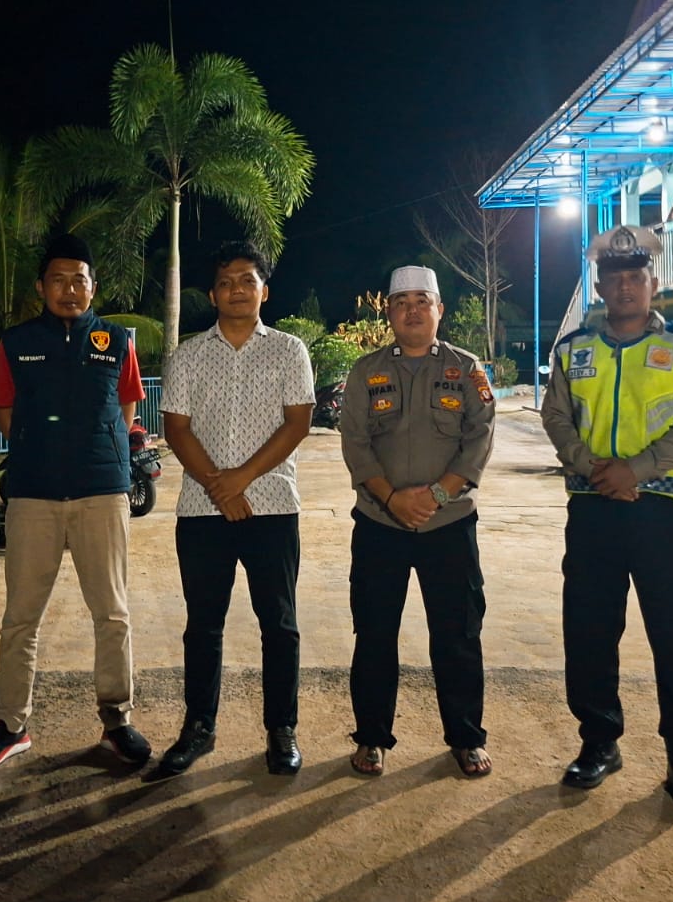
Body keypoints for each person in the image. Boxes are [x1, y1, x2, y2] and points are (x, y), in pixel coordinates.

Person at [541, 225, 673, 813]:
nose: (625, 287)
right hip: (592, 507)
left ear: (653, 283)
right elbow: (556, 416)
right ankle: (599, 741)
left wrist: (635, 470)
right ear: (599, 286)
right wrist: (590, 466)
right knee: (589, 630)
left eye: (635, 277)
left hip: (661, 512)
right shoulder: (573, 350)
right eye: (615, 278)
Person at [0, 233, 153, 772]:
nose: (70, 289)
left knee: (112, 614)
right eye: (59, 280)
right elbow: (6, 414)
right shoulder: (15, 343)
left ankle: (116, 722)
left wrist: (100, 452)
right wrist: (42, 449)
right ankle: (11, 726)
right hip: (34, 495)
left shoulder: (117, 341)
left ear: (93, 287)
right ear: (41, 287)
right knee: (21, 618)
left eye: (79, 280)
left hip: (102, 494)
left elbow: (127, 408)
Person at [151, 241, 315, 779]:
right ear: (212, 294)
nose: (237, 290)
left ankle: (282, 729)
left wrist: (240, 479)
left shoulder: (289, 350)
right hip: (202, 513)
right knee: (203, 625)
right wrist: (221, 490)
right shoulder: (188, 355)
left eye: (247, 280)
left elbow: (297, 422)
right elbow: (177, 429)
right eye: (226, 282)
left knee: (280, 624)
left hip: (273, 507)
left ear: (264, 291)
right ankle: (199, 726)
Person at [338, 265, 497, 779]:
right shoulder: (365, 372)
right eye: (401, 302)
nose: (412, 310)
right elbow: (355, 442)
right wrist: (392, 499)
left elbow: (479, 437)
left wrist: (434, 496)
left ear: (439, 310)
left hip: (448, 524)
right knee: (375, 633)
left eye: (421, 301)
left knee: (458, 635)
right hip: (379, 524)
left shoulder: (466, 369)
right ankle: (371, 738)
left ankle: (466, 738)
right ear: (388, 312)